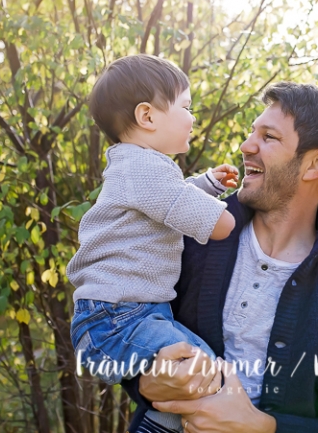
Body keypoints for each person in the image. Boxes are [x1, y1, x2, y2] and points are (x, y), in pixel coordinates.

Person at [120, 82, 318, 433]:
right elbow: (124, 319)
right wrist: (141, 383)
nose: (246, 146)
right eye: (252, 132)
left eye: (269, 137)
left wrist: (262, 426)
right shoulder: (190, 232)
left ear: (314, 164)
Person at [66, 54, 240, 396]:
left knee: (208, 374)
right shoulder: (145, 169)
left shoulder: (137, 167)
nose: (192, 118)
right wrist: (238, 206)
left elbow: (165, 201)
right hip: (117, 321)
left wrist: (207, 185)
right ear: (147, 116)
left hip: (121, 316)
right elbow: (222, 226)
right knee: (202, 373)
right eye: (186, 107)